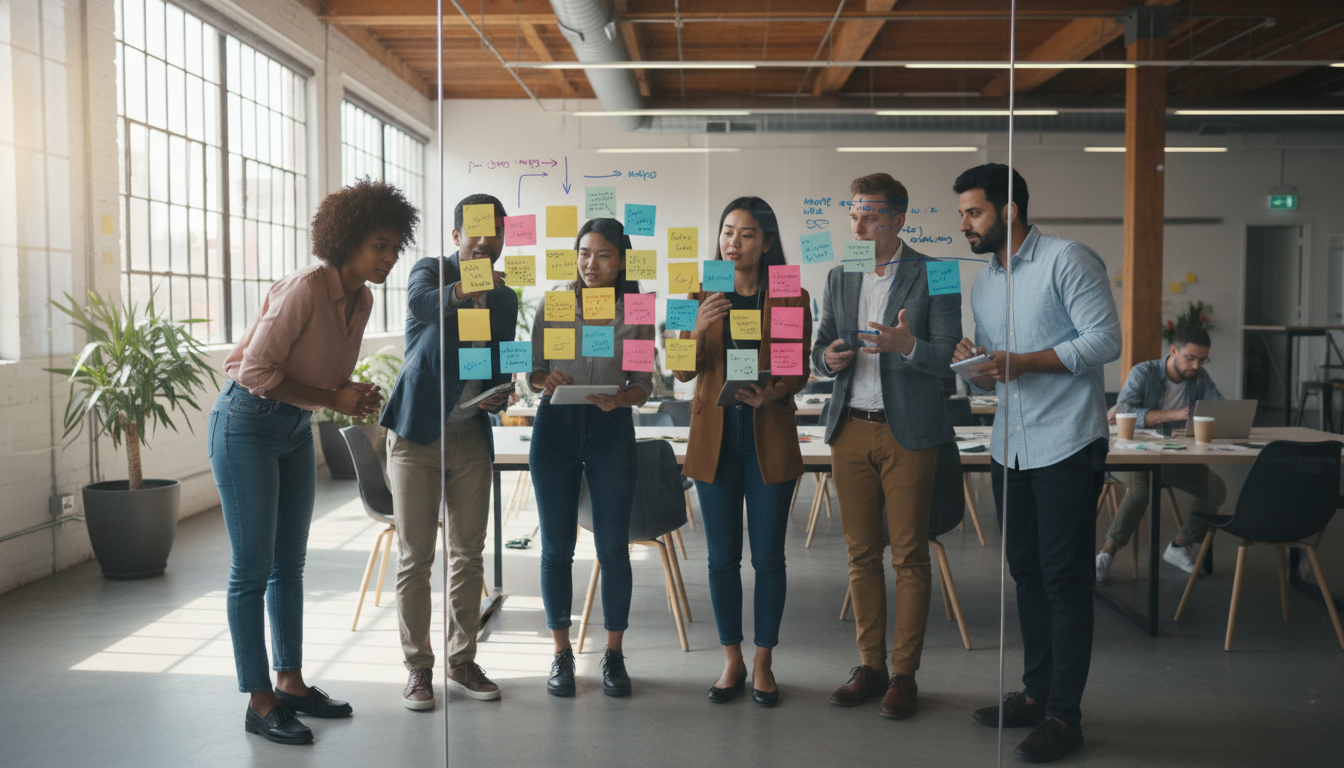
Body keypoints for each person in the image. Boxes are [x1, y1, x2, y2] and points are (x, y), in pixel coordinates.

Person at [208, 179, 417, 744]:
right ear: (346, 240)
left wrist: (347, 390)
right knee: (251, 570)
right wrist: (332, 398)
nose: (389, 257)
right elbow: (251, 372)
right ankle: (259, 699)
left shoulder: (363, 298)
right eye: (379, 244)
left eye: (396, 247)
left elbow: (315, 370)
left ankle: (291, 683)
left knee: (289, 565)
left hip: (294, 427)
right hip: (246, 425)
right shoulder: (304, 288)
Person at [951, 163, 1120, 763]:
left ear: (1009, 210)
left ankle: (1063, 717)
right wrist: (972, 361)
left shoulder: (1068, 260)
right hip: (1009, 445)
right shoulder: (985, 284)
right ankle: (1035, 691)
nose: (965, 224)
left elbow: (1105, 341)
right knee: (1025, 572)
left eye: (974, 212)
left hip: (1066, 442)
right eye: (964, 213)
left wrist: (1024, 362)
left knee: (1064, 580)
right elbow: (990, 373)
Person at [810, 173, 962, 720]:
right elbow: (817, 347)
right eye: (853, 214)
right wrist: (826, 360)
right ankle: (869, 665)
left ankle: (904, 674)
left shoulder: (934, 272)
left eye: (870, 215)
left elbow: (949, 356)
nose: (858, 224)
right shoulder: (839, 274)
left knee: (910, 557)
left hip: (910, 431)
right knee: (859, 554)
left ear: (899, 219)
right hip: (850, 425)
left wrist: (908, 344)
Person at [380, 194, 518, 710]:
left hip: (470, 434)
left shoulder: (506, 297)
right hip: (418, 435)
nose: (485, 240)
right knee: (416, 558)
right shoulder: (429, 272)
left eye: (495, 232)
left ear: (504, 238)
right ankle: (418, 669)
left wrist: (505, 390)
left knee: (468, 554)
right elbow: (419, 306)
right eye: (475, 230)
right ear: (457, 236)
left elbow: (502, 355)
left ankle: (462, 660)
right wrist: (464, 287)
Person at [674, 197, 812, 708]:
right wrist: (696, 326)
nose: (733, 242)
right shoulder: (697, 291)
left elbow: (797, 369)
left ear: (768, 243)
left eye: (747, 234)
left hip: (767, 430)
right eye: (727, 231)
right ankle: (731, 658)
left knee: (770, 557)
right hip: (714, 434)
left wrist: (775, 391)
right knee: (721, 558)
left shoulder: (791, 295)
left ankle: (763, 661)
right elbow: (682, 370)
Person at [526, 218, 654, 698]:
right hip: (555, 426)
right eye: (584, 253)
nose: (591, 264)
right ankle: (561, 652)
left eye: (602, 255)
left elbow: (645, 383)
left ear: (621, 260)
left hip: (610, 427)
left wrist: (623, 399)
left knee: (613, 548)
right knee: (556, 548)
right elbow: (533, 372)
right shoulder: (554, 301)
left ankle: (614, 654)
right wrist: (546, 380)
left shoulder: (637, 308)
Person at [1096, 326, 1225, 582]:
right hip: (1127, 453)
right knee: (1143, 486)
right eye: (1191, 358)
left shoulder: (1198, 377)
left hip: (1168, 454)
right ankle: (1106, 555)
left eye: (1202, 360)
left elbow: (1218, 409)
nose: (1196, 365)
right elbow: (1122, 410)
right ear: (1174, 351)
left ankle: (1180, 545)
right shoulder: (1144, 372)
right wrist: (1174, 416)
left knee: (1215, 488)